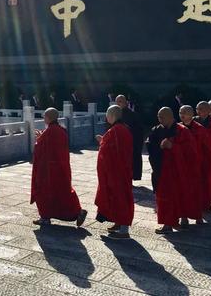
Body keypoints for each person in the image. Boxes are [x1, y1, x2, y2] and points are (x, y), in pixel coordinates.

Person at [31, 107, 87, 227]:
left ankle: (45, 217)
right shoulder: (61, 130)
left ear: (48, 118)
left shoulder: (49, 131)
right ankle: (78, 211)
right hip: (61, 166)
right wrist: (41, 137)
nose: (43, 118)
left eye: (44, 116)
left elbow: (40, 149)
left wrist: (38, 140)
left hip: (48, 169)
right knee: (63, 192)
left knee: (44, 191)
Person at [152, 107, 200, 234]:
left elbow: (190, 152)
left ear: (170, 117)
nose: (159, 119)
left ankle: (183, 219)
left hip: (180, 170)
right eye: (158, 116)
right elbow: (151, 145)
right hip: (163, 170)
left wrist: (173, 146)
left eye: (162, 116)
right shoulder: (157, 130)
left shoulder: (182, 131)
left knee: (182, 193)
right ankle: (168, 224)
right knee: (165, 197)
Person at [94, 105, 134, 239]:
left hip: (116, 172)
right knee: (116, 198)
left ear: (111, 116)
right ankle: (118, 223)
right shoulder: (122, 129)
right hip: (120, 171)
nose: (106, 118)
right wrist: (103, 142)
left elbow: (113, 153)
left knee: (120, 198)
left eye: (107, 115)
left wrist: (102, 143)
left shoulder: (116, 131)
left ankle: (124, 230)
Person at [178, 105, 208, 222]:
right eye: (180, 112)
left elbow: (205, 148)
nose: (182, 115)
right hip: (181, 164)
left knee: (195, 191)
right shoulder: (178, 127)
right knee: (182, 191)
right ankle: (183, 217)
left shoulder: (199, 129)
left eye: (184, 112)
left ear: (191, 114)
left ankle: (197, 215)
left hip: (196, 164)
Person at [115, 94, 144, 181]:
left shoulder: (132, 114)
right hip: (117, 143)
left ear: (125, 103)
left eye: (120, 101)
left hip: (129, 143)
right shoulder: (114, 114)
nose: (118, 104)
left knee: (129, 163)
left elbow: (138, 130)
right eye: (117, 102)